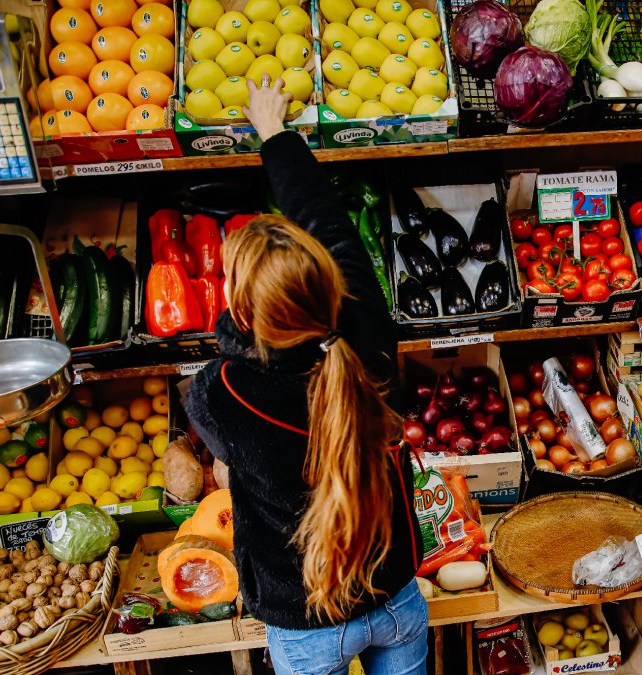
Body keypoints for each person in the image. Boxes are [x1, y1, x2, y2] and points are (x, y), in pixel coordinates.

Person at [184, 75, 427, 675]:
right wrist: (276, 133)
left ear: (243, 312)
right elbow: (327, 218)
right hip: (395, 596)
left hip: (305, 618)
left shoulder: (219, 393)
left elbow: (221, 460)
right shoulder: (365, 331)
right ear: (326, 281)